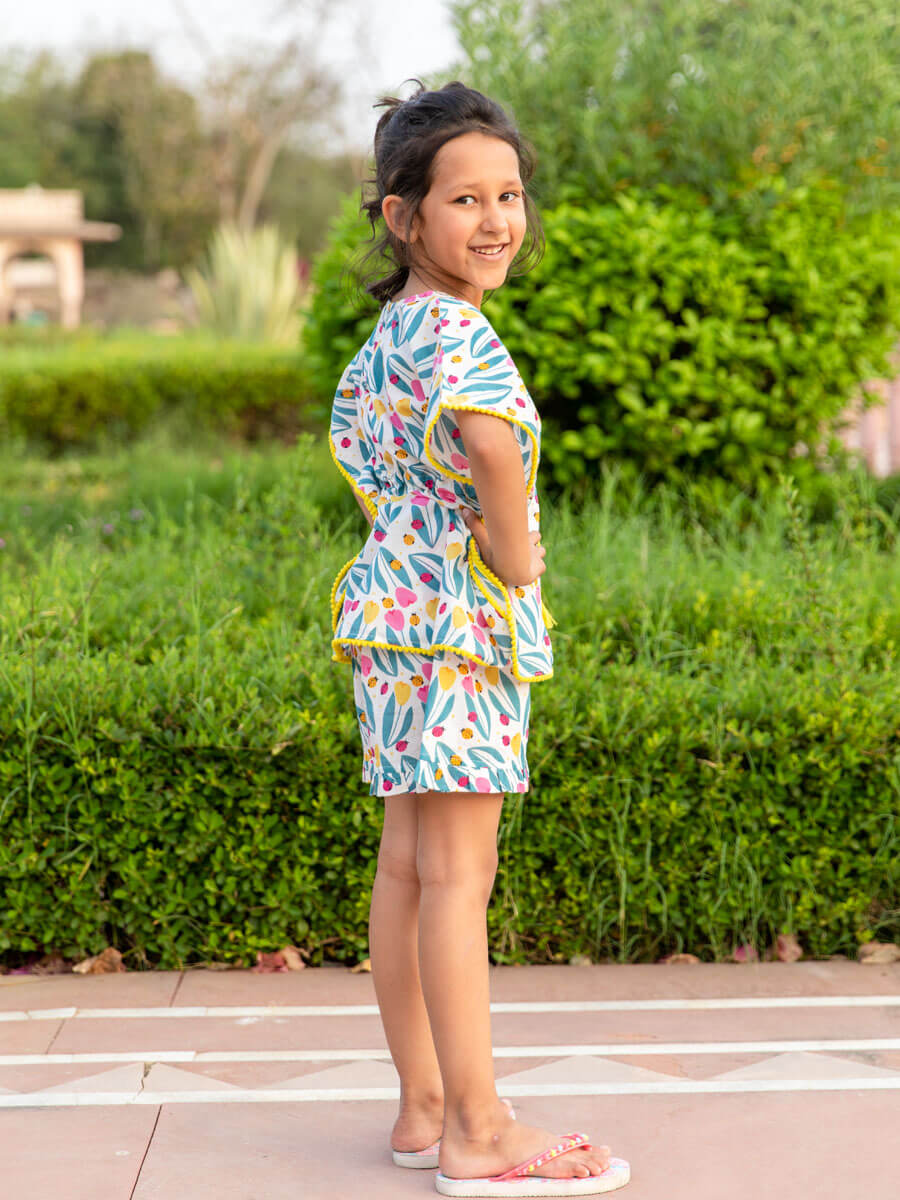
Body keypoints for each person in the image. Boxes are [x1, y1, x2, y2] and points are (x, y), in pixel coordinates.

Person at [328, 79, 630, 1198]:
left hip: (391, 621)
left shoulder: (392, 332)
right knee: (462, 875)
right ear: (404, 215)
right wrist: (519, 556)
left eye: (509, 194)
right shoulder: (462, 331)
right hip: (458, 626)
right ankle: (480, 1128)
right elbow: (492, 448)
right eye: (466, 199)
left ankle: (422, 1108)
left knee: (408, 866)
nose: (498, 219)